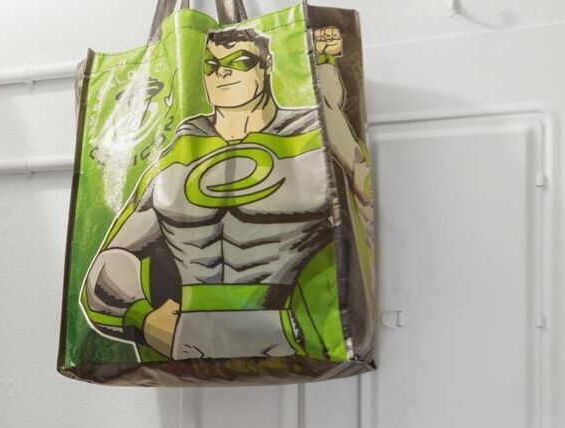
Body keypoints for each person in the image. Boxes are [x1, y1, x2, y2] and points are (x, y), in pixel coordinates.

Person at [81, 24, 372, 363]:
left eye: (240, 61)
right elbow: (112, 259)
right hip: (188, 340)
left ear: (267, 67)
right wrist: (141, 319)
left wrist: (337, 129)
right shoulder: (177, 156)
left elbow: (363, 215)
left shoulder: (310, 136)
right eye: (212, 65)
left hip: (298, 338)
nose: (223, 73)